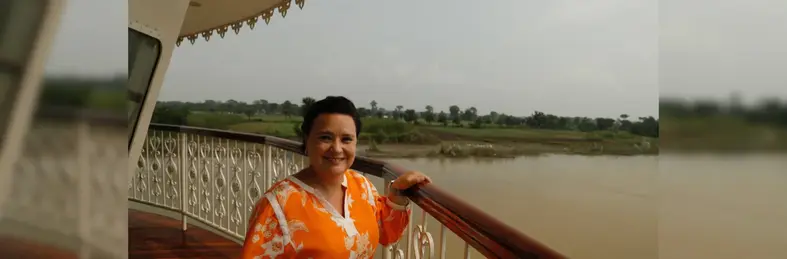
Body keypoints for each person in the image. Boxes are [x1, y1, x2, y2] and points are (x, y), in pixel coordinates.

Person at [241, 96, 431, 259]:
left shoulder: (361, 186)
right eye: (325, 138)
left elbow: (387, 233)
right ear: (306, 140)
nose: (337, 148)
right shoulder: (277, 205)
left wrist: (398, 193)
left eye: (346, 139)